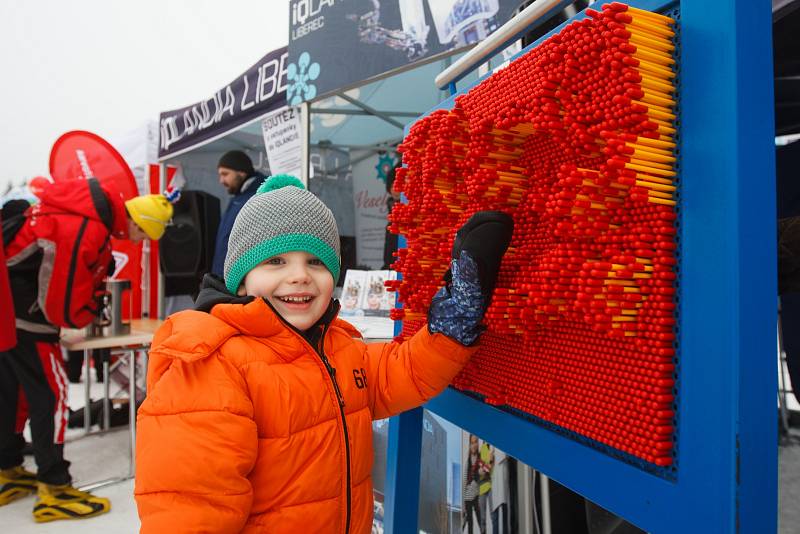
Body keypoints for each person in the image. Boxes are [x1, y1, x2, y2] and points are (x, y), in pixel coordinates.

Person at [134, 175, 514, 533]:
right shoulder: (210, 366)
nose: (300, 275)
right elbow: (190, 511)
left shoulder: (339, 348)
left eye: (315, 261)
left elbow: (407, 372)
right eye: (275, 261)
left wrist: (456, 317)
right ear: (241, 278)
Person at [0, 177, 172, 522]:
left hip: (10, 311)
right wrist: (78, 317)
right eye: (142, 235)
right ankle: (55, 487)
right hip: (28, 319)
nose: (136, 241)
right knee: (53, 396)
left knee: (12, 392)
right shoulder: (87, 226)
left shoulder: (80, 213)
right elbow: (60, 291)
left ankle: (7, 468)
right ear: (137, 223)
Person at [211, 150, 267, 277]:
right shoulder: (238, 197)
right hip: (224, 280)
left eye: (225, 174)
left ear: (241, 172)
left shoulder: (259, 197)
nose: (221, 180)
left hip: (240, 283)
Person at [464, 434, 483, 534]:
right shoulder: (468, 461)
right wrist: (463, 503)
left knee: (481, 521)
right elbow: (464, 480)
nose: (474, 445)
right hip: (467, 497)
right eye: (472, 443)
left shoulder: (481, 458)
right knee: (470, 524)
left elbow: (484, 474)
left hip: (477, 495)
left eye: (476, 442)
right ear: (470, 444)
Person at [478, 440, 494, 534]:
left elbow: (488, 469)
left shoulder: (493, 448)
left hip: (491, 486)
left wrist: (486, 466)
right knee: (483, 518)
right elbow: (482, 470)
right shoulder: (482, 450)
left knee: (493, 515)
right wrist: (489, 463)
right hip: (482, 487)